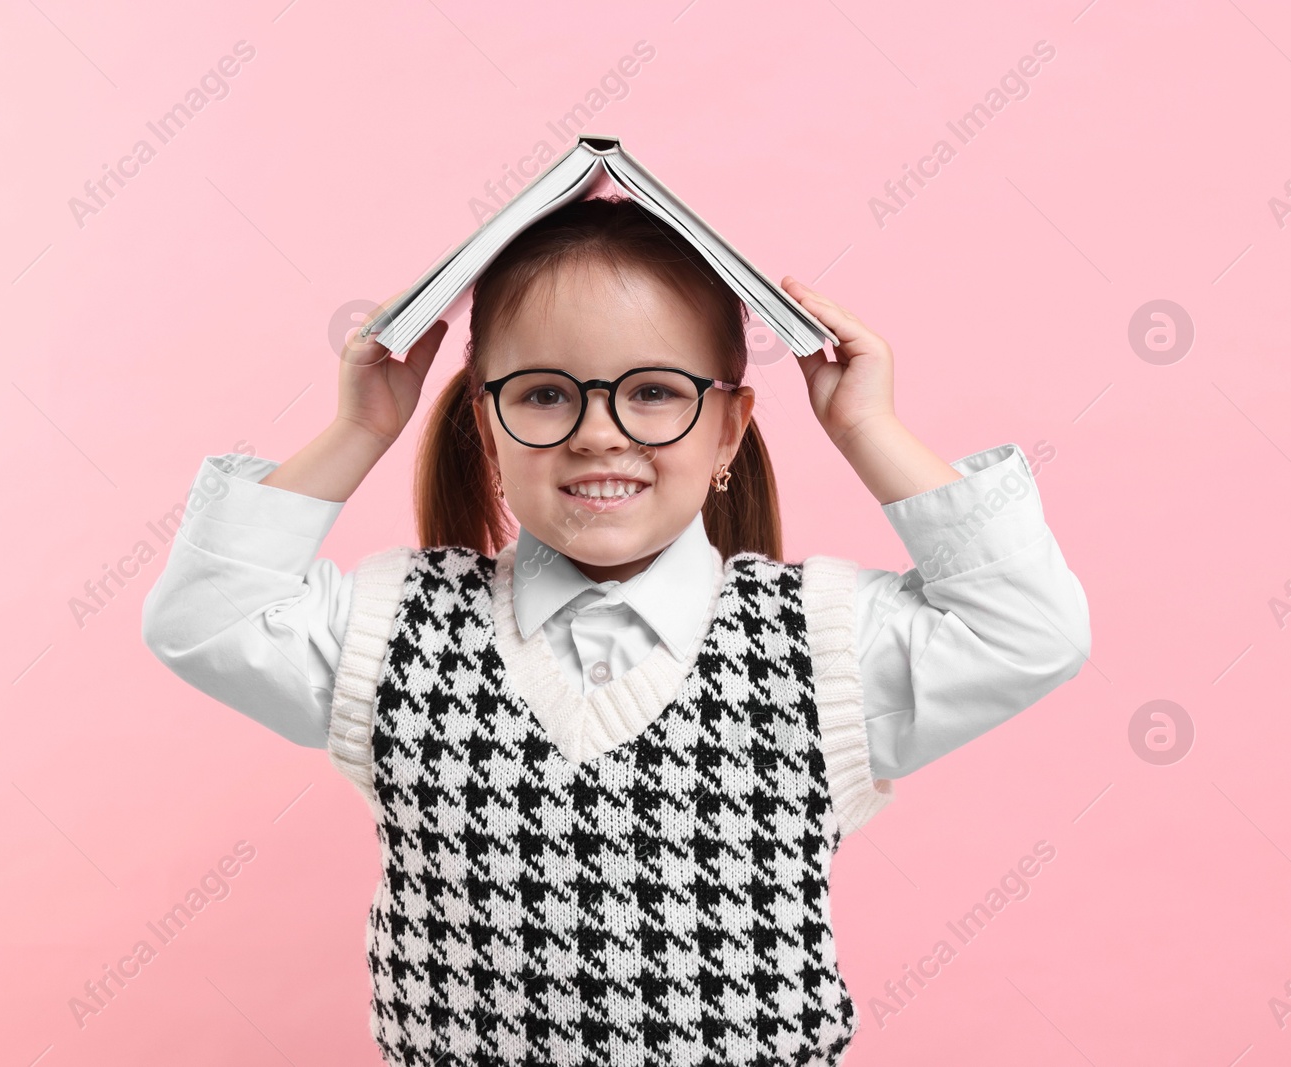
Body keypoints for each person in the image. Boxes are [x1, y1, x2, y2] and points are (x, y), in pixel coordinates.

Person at [140, 196, 1090, 1065]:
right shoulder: (392, 629)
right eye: (546, 394)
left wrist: (867, 426)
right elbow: (203, 616)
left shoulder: (827, 644)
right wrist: (359, 428)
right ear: (485, 423)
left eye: (654, 392)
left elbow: (1031, 631)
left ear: (728, 430)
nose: (600, 431)